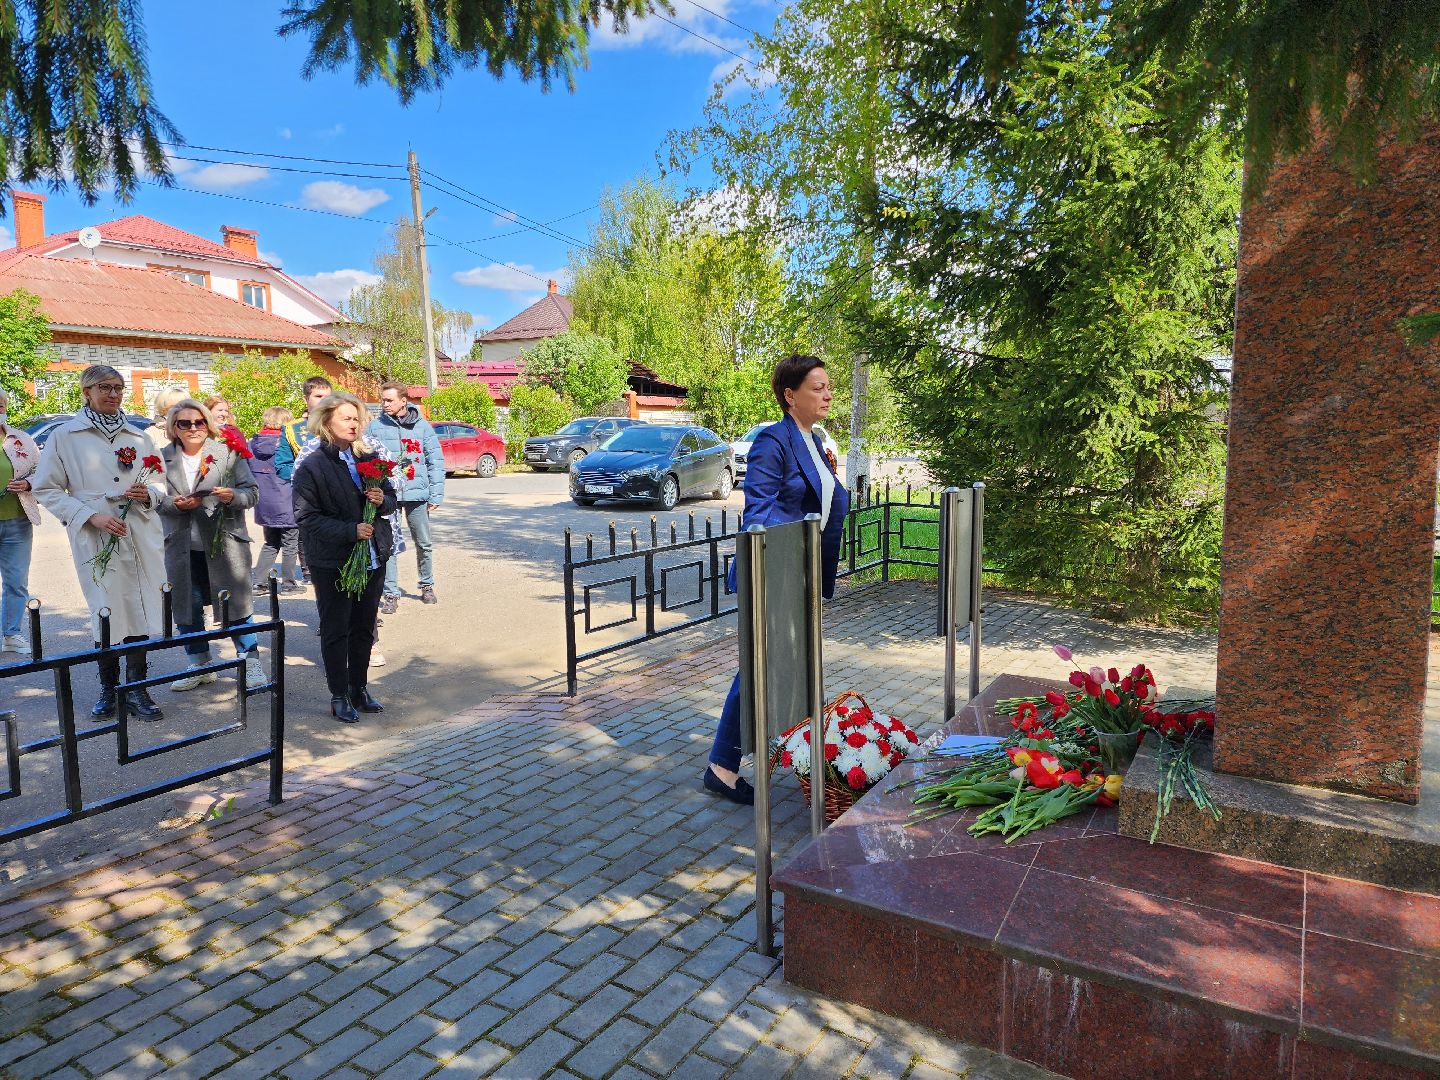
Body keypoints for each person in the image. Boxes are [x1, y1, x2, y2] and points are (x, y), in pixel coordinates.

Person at [704, 355, 850, 805]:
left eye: (829, 387)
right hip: (776, 573)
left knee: (788, 666)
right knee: (759, 667)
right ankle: (722, 767)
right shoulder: (774, 441)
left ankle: (796, 748)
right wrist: (763, 575)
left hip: (801, 573)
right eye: (817, 388)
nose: (828, 395)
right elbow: (759, 513)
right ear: (790, 395)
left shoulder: (814, 440)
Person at [33, 365, 167, 721]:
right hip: (95, 533)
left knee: (139, 608)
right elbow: (46, 488)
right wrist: (90, 515)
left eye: (118, 388)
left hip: (138, 529)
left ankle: (136, 688)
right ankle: (109, 689)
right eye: (105, 387)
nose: (113, 394)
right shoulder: (65, 436)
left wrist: (149, 494)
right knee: (105, 609)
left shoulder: (139, 436)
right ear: (87, 392)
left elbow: (161, 482)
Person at [293, 391, 396, 723]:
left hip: (372, 557)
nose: (354, 424)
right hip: (333, 561)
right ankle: (339, 695)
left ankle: (359, 688)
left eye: (357, 419)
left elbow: (392, 499)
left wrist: (381, 500)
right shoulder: (312, 466)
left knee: (364, 627)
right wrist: (350, 531)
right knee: (336, 629)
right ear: (326, 421)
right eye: (346, 418)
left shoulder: (368, 456)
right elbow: (306, 518)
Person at [156, 399, 265, 691]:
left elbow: (252, 493)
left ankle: (250, 662)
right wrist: (175, 504)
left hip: (226, 544)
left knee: (237, 605)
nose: (193, 428)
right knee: (186, 606)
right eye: (185, 423)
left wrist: (233, 496)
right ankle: (200, 664)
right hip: (182, 546)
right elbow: (154, 500)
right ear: (174, 428)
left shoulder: (227, 453)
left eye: (199, 422)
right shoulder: (161, 458)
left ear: (208, 424)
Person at [366, 381, 445, 612]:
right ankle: (391, 593)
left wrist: (435, 494)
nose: (385, 404)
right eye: (383, 400)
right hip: (387, 496)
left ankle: (427, 584)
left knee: (423, 542)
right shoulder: (374, 427)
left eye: (389, 400)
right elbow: (365, 457)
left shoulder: (422, 427)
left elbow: (435, 461)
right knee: (388, 544)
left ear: (403, 401)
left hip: (416, 494)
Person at [0, 387, 40, 657]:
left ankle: (11, 634)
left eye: (1, 404)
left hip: (17, 521)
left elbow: (43, 471)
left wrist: (27, 483)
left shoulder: (21, 439)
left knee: (16, 581)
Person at [249, 406, 303, 593]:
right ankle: (288, 583)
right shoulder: (288, 443)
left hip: (264, 502)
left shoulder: (252, 444)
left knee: (271, 543)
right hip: (287, 500)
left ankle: (259, 582)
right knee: (290, 544)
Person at [274, 376, 332, 482]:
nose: (324, 400)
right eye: (319, 396)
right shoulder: (291, 429)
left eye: (328, 397)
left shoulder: (343, 424)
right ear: (306, 399)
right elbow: (283, 468)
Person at [147, 387, 189, 452]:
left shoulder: (196, 429)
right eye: (174, 407)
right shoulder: (152, 433)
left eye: (185, 406)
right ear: (164, 408)